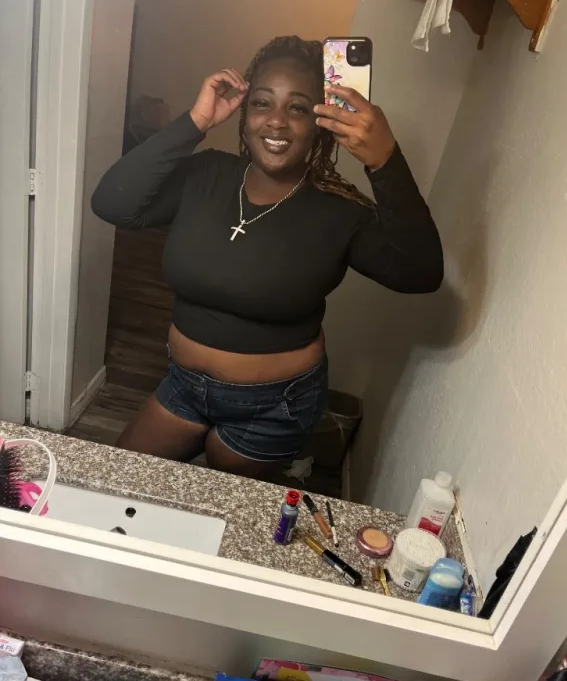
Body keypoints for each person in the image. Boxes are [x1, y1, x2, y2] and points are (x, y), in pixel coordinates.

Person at [92, 36, 443, 480]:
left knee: (226, 511)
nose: (276, 121)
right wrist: (196, 121)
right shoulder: (206, 173)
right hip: (184, 385)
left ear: (320, 121)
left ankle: (291, 464)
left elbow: (421, 273)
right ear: (244, 114)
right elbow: (112, 203)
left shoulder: (340, 212)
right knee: (115, 479)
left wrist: (385, 161)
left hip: (275, 405)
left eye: (298, 108)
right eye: (261, 103)